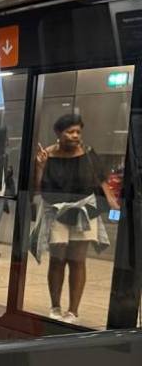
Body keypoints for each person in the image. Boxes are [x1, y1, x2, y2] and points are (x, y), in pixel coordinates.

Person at [31, 113, 118, 324]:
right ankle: (55, 306)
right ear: (58, 134)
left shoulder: (88, 153)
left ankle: (73, 310)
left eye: (78, 131)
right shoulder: (48, 155)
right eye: (70, 131)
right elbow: (38, 188)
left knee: (77, 261)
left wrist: (114, 204)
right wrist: (40, 166)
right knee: (57, 260)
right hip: (56, 210)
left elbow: (102, 180)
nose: (75, 136)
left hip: (84, 210)